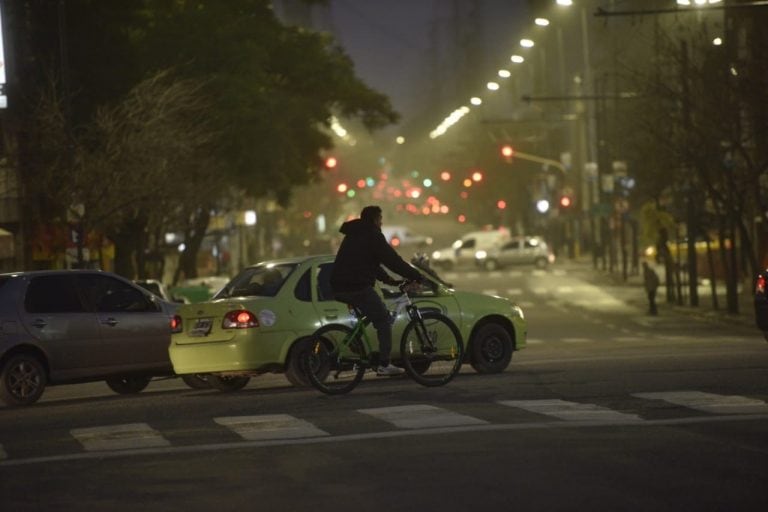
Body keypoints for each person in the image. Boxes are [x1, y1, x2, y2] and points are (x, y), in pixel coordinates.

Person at [330, 205, 424, 376]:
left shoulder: (356, 233)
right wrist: (416, 276)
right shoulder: (372, 235)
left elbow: (370, 263)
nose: (381, 223)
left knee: (372, 313)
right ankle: (384, 364)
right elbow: (392, 260)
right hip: (354, 285)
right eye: (380, 219)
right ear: (374, 219)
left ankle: (354, 342)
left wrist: (391, 281)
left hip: (341, 284)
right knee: (383, 320)